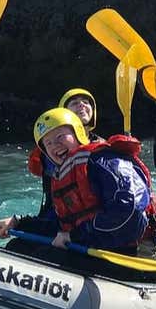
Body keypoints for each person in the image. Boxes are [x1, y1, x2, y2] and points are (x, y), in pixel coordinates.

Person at [0, 108, 156, 259]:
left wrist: (75, 236)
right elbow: (63, 225)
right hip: (93, 245)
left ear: (78, 133)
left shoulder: (106, 161)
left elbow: (130, 214)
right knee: (17, 247)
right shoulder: (63, 174)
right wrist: (19, 223)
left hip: (134, 251)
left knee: (49, 256)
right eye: (48, 143)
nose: (55, 145)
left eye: (60, 136)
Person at [27, 88, 104, 218]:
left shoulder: (102, 148)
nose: (81, 105)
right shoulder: (49, 151)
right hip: (56, 214)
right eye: (74, 103)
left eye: (86, 102)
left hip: (93, 221)